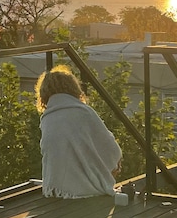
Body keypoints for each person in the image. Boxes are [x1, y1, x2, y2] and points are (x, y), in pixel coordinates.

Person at [36, 65, 122, 198]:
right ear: (74, 88)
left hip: (54, 189)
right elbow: (111, 149)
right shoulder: (85, 112)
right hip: (88, 191)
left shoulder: (47, 119)